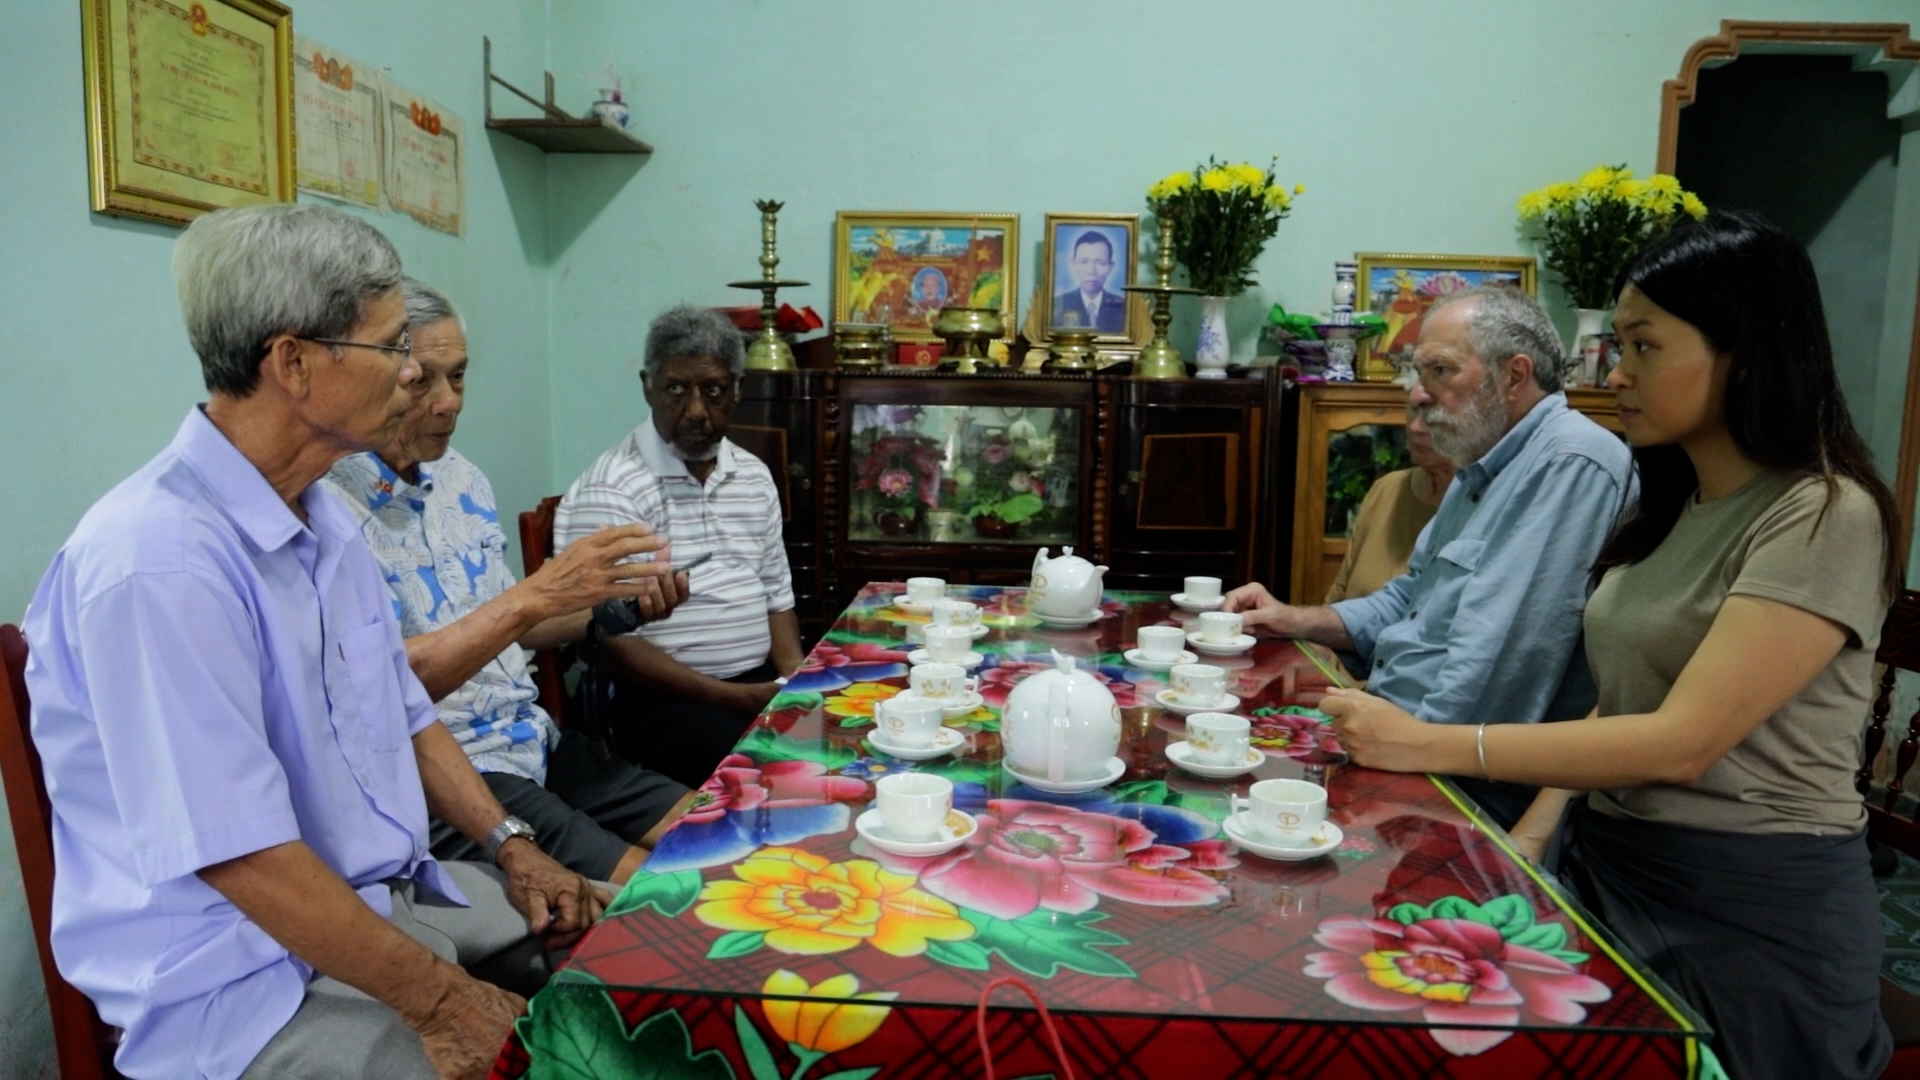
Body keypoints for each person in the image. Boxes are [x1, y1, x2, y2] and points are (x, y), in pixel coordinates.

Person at [23, 205, 664, 1080]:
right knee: (550, 1055)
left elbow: (404, 716)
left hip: (382, 904)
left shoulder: (323, 519)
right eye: (393, 347)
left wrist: (513, 846)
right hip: (242, 979)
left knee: (640, 952)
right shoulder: (158, 562)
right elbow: (244, 857)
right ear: (293, 363)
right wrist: (442, 1002)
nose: (413, 376)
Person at [1320, 211, 1899, 1080]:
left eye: (1644, 346)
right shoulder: (1672, 503)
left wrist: (1425, 743)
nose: (1615, 372)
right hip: (1612, 861)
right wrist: (1540, 835)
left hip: (1744, 902)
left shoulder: (1823, 513)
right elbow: (1620, 694)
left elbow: (1680, 742)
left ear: (1743, 349)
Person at [324, 279, 698, 886]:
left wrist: (614, 609)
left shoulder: (461, 479)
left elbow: (514, 626)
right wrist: (538, 592)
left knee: (718, 836)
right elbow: (387, 687)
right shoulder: (328, 508)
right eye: (425, 379)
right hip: (458, 769)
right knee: (659, 888)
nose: (449, 402)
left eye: (461, 376)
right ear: (382, 377)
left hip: (534, 738)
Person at [1222, 285, 1632, 827]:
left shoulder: (1571, 462)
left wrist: (1398, 768)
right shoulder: (1482, 460)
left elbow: (1497, 665)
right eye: (1419, 372)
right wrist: (1293, 619)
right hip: (1392, 736)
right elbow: (1410, 599)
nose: (1418, 393)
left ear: (1514, 375)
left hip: (1452, 782)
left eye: (1441, 371)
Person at [555, 305, 804, 787]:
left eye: (712, 390)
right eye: (675, 390)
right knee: (777, 774)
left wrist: (796, 682)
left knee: (841, 736)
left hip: (754, 685)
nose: (695, 411)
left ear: (737, 388)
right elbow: (608, 642)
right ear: (648, 386)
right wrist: (735, 699)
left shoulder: (753, 475)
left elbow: (776, 594)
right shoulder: (614, 487)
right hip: (655, 704)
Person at [1324, 403, 1455, 603]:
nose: (1415, 428)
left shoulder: (1485, 503)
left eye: (1433, 414)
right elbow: (1339, 595)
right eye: (1414, 409)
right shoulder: (1386, 488)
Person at [1052, 230, 1126, 333]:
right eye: (1084, 262)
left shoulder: (1124, 307)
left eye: (1100, 263)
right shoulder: (1056, 305)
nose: (1091, 271)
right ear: (1073, 264)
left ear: (1111, 267)